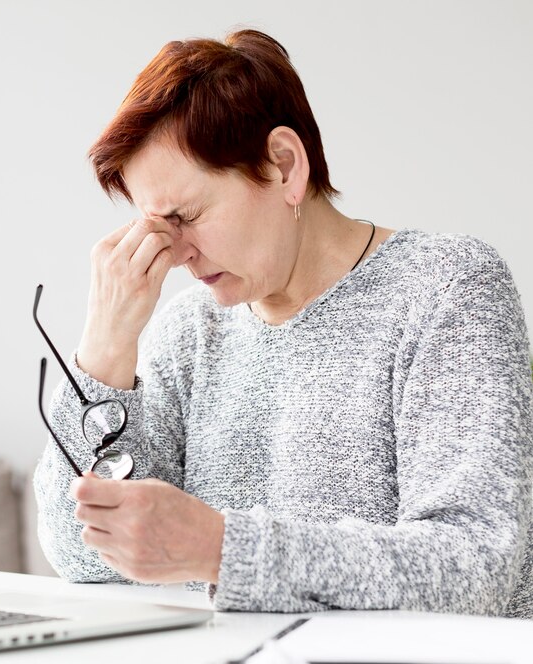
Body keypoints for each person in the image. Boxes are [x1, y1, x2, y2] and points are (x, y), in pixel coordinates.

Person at [33, 28, 533, 618]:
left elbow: (478, 563)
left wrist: (221, 549)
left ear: (284, 166)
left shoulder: (445, 288)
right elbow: (79, 554)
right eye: (154, 225)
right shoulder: (189, 331)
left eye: (186, 216)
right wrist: (104, 349)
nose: (176, 253)